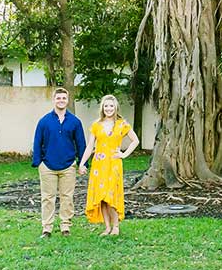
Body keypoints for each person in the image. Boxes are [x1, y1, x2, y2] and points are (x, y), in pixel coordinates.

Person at [78, 94, 140, 236]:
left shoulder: (122, 124)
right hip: (99, 165)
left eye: (111, 106)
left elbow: (135, 140)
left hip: (114, 163)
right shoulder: (96, 125)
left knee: (111, 194)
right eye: (106, 106)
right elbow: (89, 146)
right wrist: (82, 163)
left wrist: (124, 154)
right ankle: (107, 227)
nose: (109, 108)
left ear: (116, 107)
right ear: (102, 108)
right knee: (102, 196)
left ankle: (116, 226)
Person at [31, 87, 86, 239]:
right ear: (54, 100)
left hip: (68, 166)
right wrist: (38, 162)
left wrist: (83, 163)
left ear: (68, 100)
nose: (61, 100)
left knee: (67, 197)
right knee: (47, 197)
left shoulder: (75, 122)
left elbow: (81, 144)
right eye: (58, 98)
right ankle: (47, 228)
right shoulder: (44, 121)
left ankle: (65, 226)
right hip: (47, 166)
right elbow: (37, 142)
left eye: (64, 98)